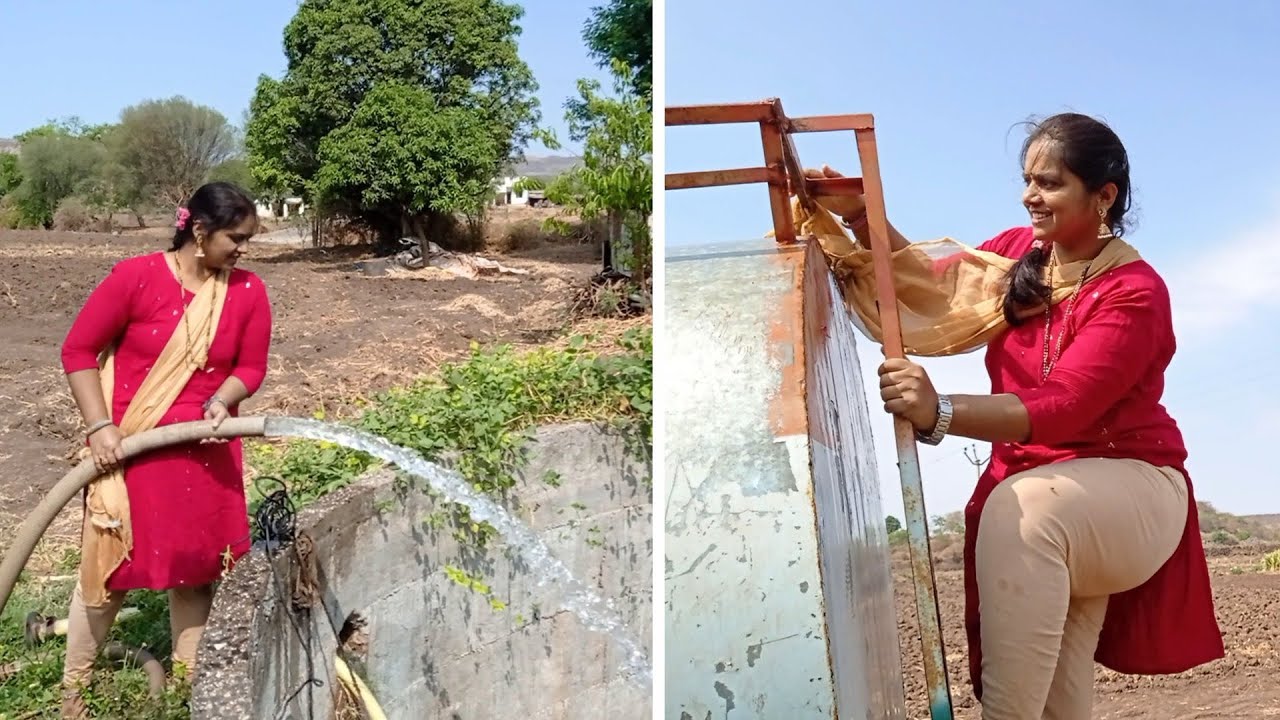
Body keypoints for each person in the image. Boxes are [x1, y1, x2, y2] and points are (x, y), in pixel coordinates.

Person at [803, 113, 1223, 719]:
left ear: (1103, 196)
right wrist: (863, 217)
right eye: (1028, 180)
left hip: (1129, 488)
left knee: (1024, 511)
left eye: (1050, 183)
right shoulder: (1019, 254)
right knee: (1056, 691)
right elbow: (932, 286)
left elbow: (1065, 404)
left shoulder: (1134, 290)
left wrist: (939, 410)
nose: (1031, 196)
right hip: (1042, 482)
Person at [58, 181, 273, 717]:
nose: (242, 249)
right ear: (199, 231)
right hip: (132, 449)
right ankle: (72, 694)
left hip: (206, 454)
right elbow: (78, 350)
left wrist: (224, 400)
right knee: (108, 571)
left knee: (198, 570)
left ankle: (185, 689)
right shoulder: (136, 279)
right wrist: (100, 427)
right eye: (236, 237)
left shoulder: (247, 291)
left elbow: (250, 368)